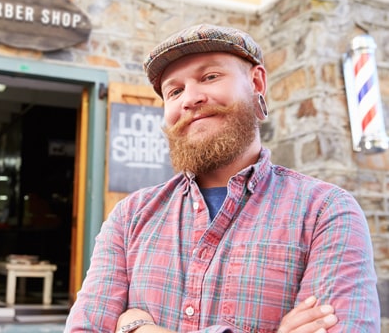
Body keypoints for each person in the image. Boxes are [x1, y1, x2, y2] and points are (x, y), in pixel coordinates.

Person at [64, 24, 380, 332]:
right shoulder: (129, 217)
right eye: (174, 91)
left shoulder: (326, 212)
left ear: (257, 83)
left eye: (210, 77)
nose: (190, 99)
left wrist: (136, 326)